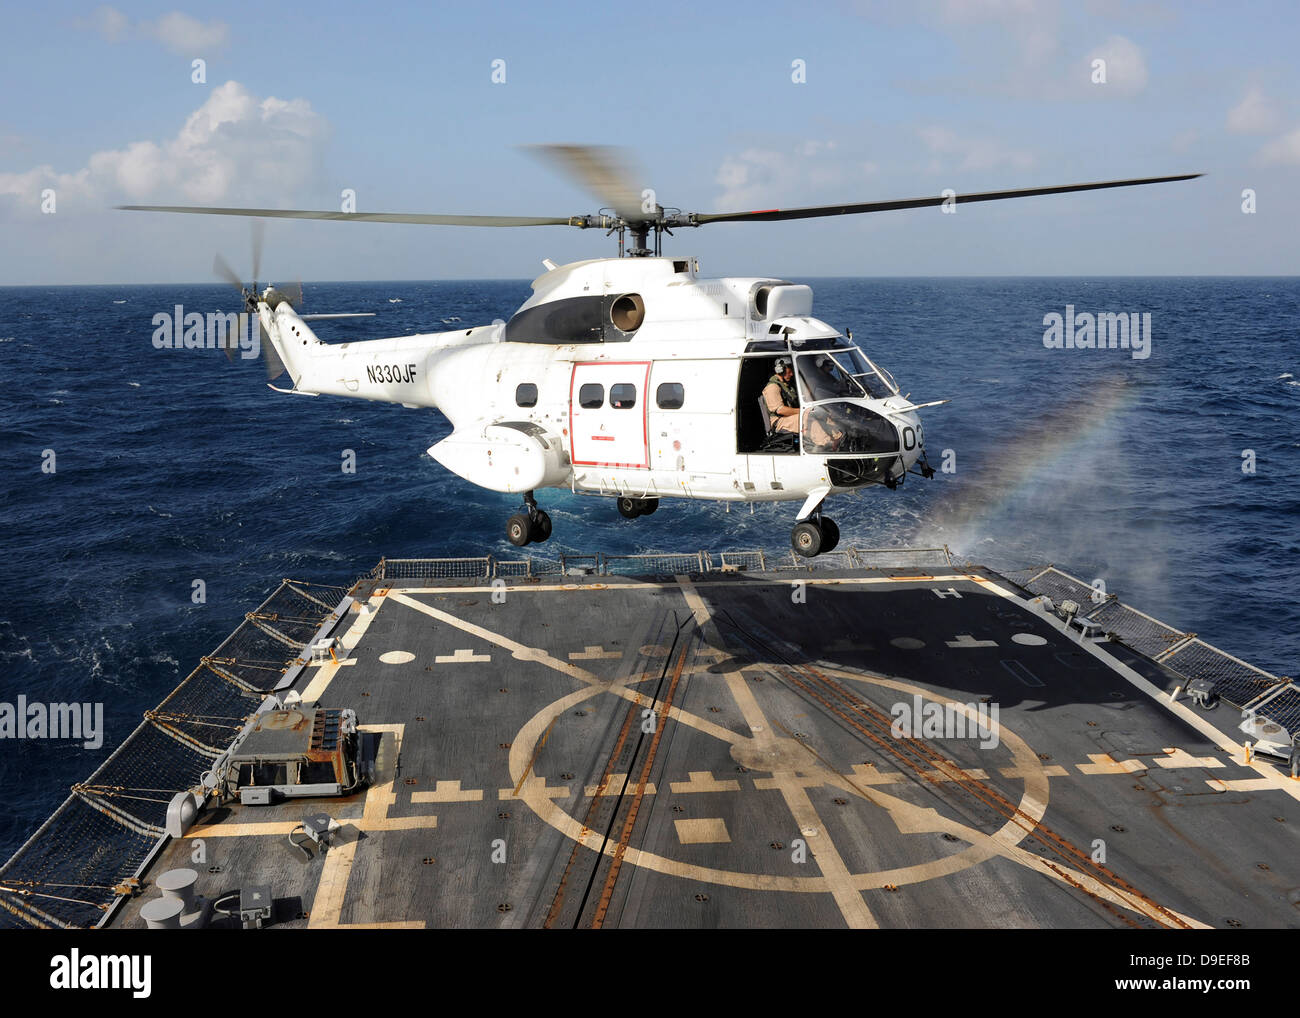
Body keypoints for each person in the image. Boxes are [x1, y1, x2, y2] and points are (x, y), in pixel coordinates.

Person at [763, 358, 839, 450]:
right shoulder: (772, 387)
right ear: (780, 370)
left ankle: (838, 437)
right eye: (790, 371)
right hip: (779, 422)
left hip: (789, 418)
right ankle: (828, 444)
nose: (791, 374)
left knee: (820, 413)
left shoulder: (788, 385)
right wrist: (804, 411)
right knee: (808, 417)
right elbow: (780, 410)